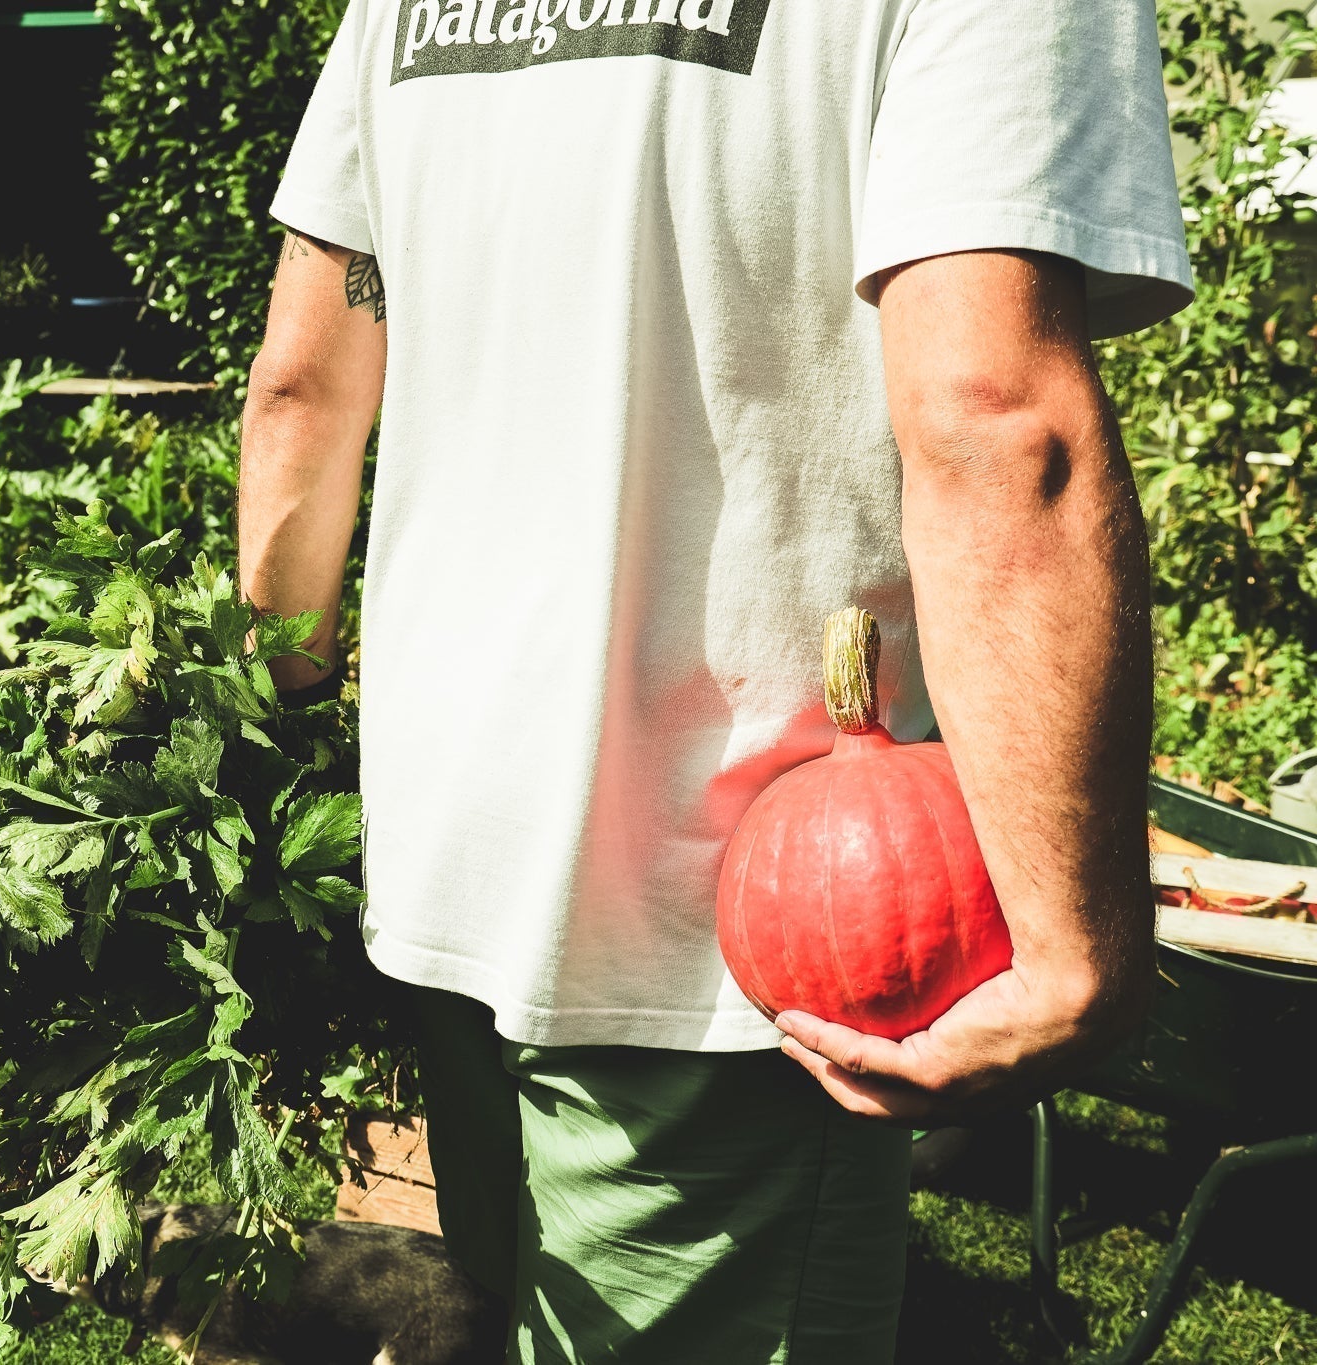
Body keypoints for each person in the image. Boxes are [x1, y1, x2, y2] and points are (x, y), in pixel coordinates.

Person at [235, 0, 1192, 1360]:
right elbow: (995, 418)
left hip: (443, 854)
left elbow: (302, 389)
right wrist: (1083, 954)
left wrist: (259, 751)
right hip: (737, 928)